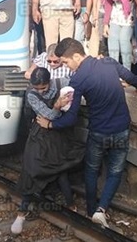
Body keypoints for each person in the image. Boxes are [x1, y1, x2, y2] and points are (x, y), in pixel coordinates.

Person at [36, 38, 137, 228]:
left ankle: (91, 209)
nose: (67, 68)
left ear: (77, 56)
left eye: (67, 62)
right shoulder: (108, 62)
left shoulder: (78, 80)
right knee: (115, 171)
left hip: (99, 132)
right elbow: (134, 79)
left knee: (92, 169)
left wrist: (49, 124)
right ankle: (101, 210)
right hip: (121, 129)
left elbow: (70, 118)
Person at [11, 67, 85, 235]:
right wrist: (57, 106)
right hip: (39, 137)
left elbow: (78, 85)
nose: (40, 91)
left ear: (49, 81)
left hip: (58, 136)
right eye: (36, 88)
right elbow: (49, 115)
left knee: (60, 170)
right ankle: (21, 213)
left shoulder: (62, 83)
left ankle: (70, 205)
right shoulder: (31, 94)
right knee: (31, 171)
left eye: (43, 88)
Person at [98, 0, 134, 70]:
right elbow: (108, 4)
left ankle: (127, 71)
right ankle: (114, 70)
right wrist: (105, 24)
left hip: (128, 15)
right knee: (112, 41)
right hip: (115, 15)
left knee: (124, 40)